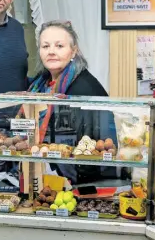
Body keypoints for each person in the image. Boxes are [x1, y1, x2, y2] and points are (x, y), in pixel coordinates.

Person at [28, 21, 120, 185]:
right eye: (45, 46)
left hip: (82, 179)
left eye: (59, 46)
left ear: (73, 51)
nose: (51, 52)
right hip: (51, 174)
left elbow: (93, 143)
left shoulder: (84, 88)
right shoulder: (40, 83)